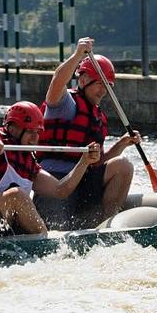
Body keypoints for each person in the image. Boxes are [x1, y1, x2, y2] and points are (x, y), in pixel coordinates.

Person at [0, 101, 100, 240]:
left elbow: (61, 190)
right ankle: (45, 246)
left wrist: (84, 162)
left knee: (18, 197)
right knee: (16, 195)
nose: (35, 139)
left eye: (38, 133)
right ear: (13, 128)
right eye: (30, 132)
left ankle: (38, 243)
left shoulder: (28, 160)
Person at [34, 37, 141, 229]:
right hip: (56, 179)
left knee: (123, 165)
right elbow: (57, 81)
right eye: (99, 84)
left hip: (82, 180)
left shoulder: (98, 116)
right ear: (83, 80)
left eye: (107, 85)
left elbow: (97, 162)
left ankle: (106, 226)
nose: (103, 91)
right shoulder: (66, 104)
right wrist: (77, 55)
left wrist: (122, 144)